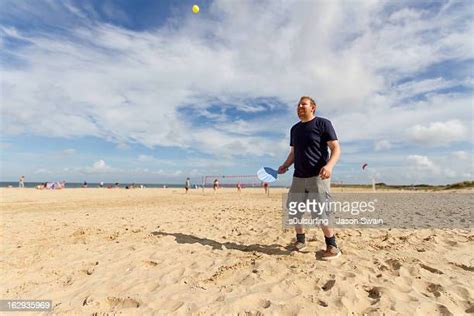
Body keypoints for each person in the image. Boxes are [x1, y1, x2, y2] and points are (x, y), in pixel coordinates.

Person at [278, 96, 341, 260]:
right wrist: (285, 165)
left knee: (320, 212)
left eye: (303, 104)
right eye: (298, 104)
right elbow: (293, 153)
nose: (299, 106)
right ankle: (300, 241)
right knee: (294, 211)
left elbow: (335, 148)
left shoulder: (323, 123)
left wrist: (329, 166)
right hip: (298, 176)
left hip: (318, 176)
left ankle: (332, 246)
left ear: (313, 107)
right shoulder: (294, 129)